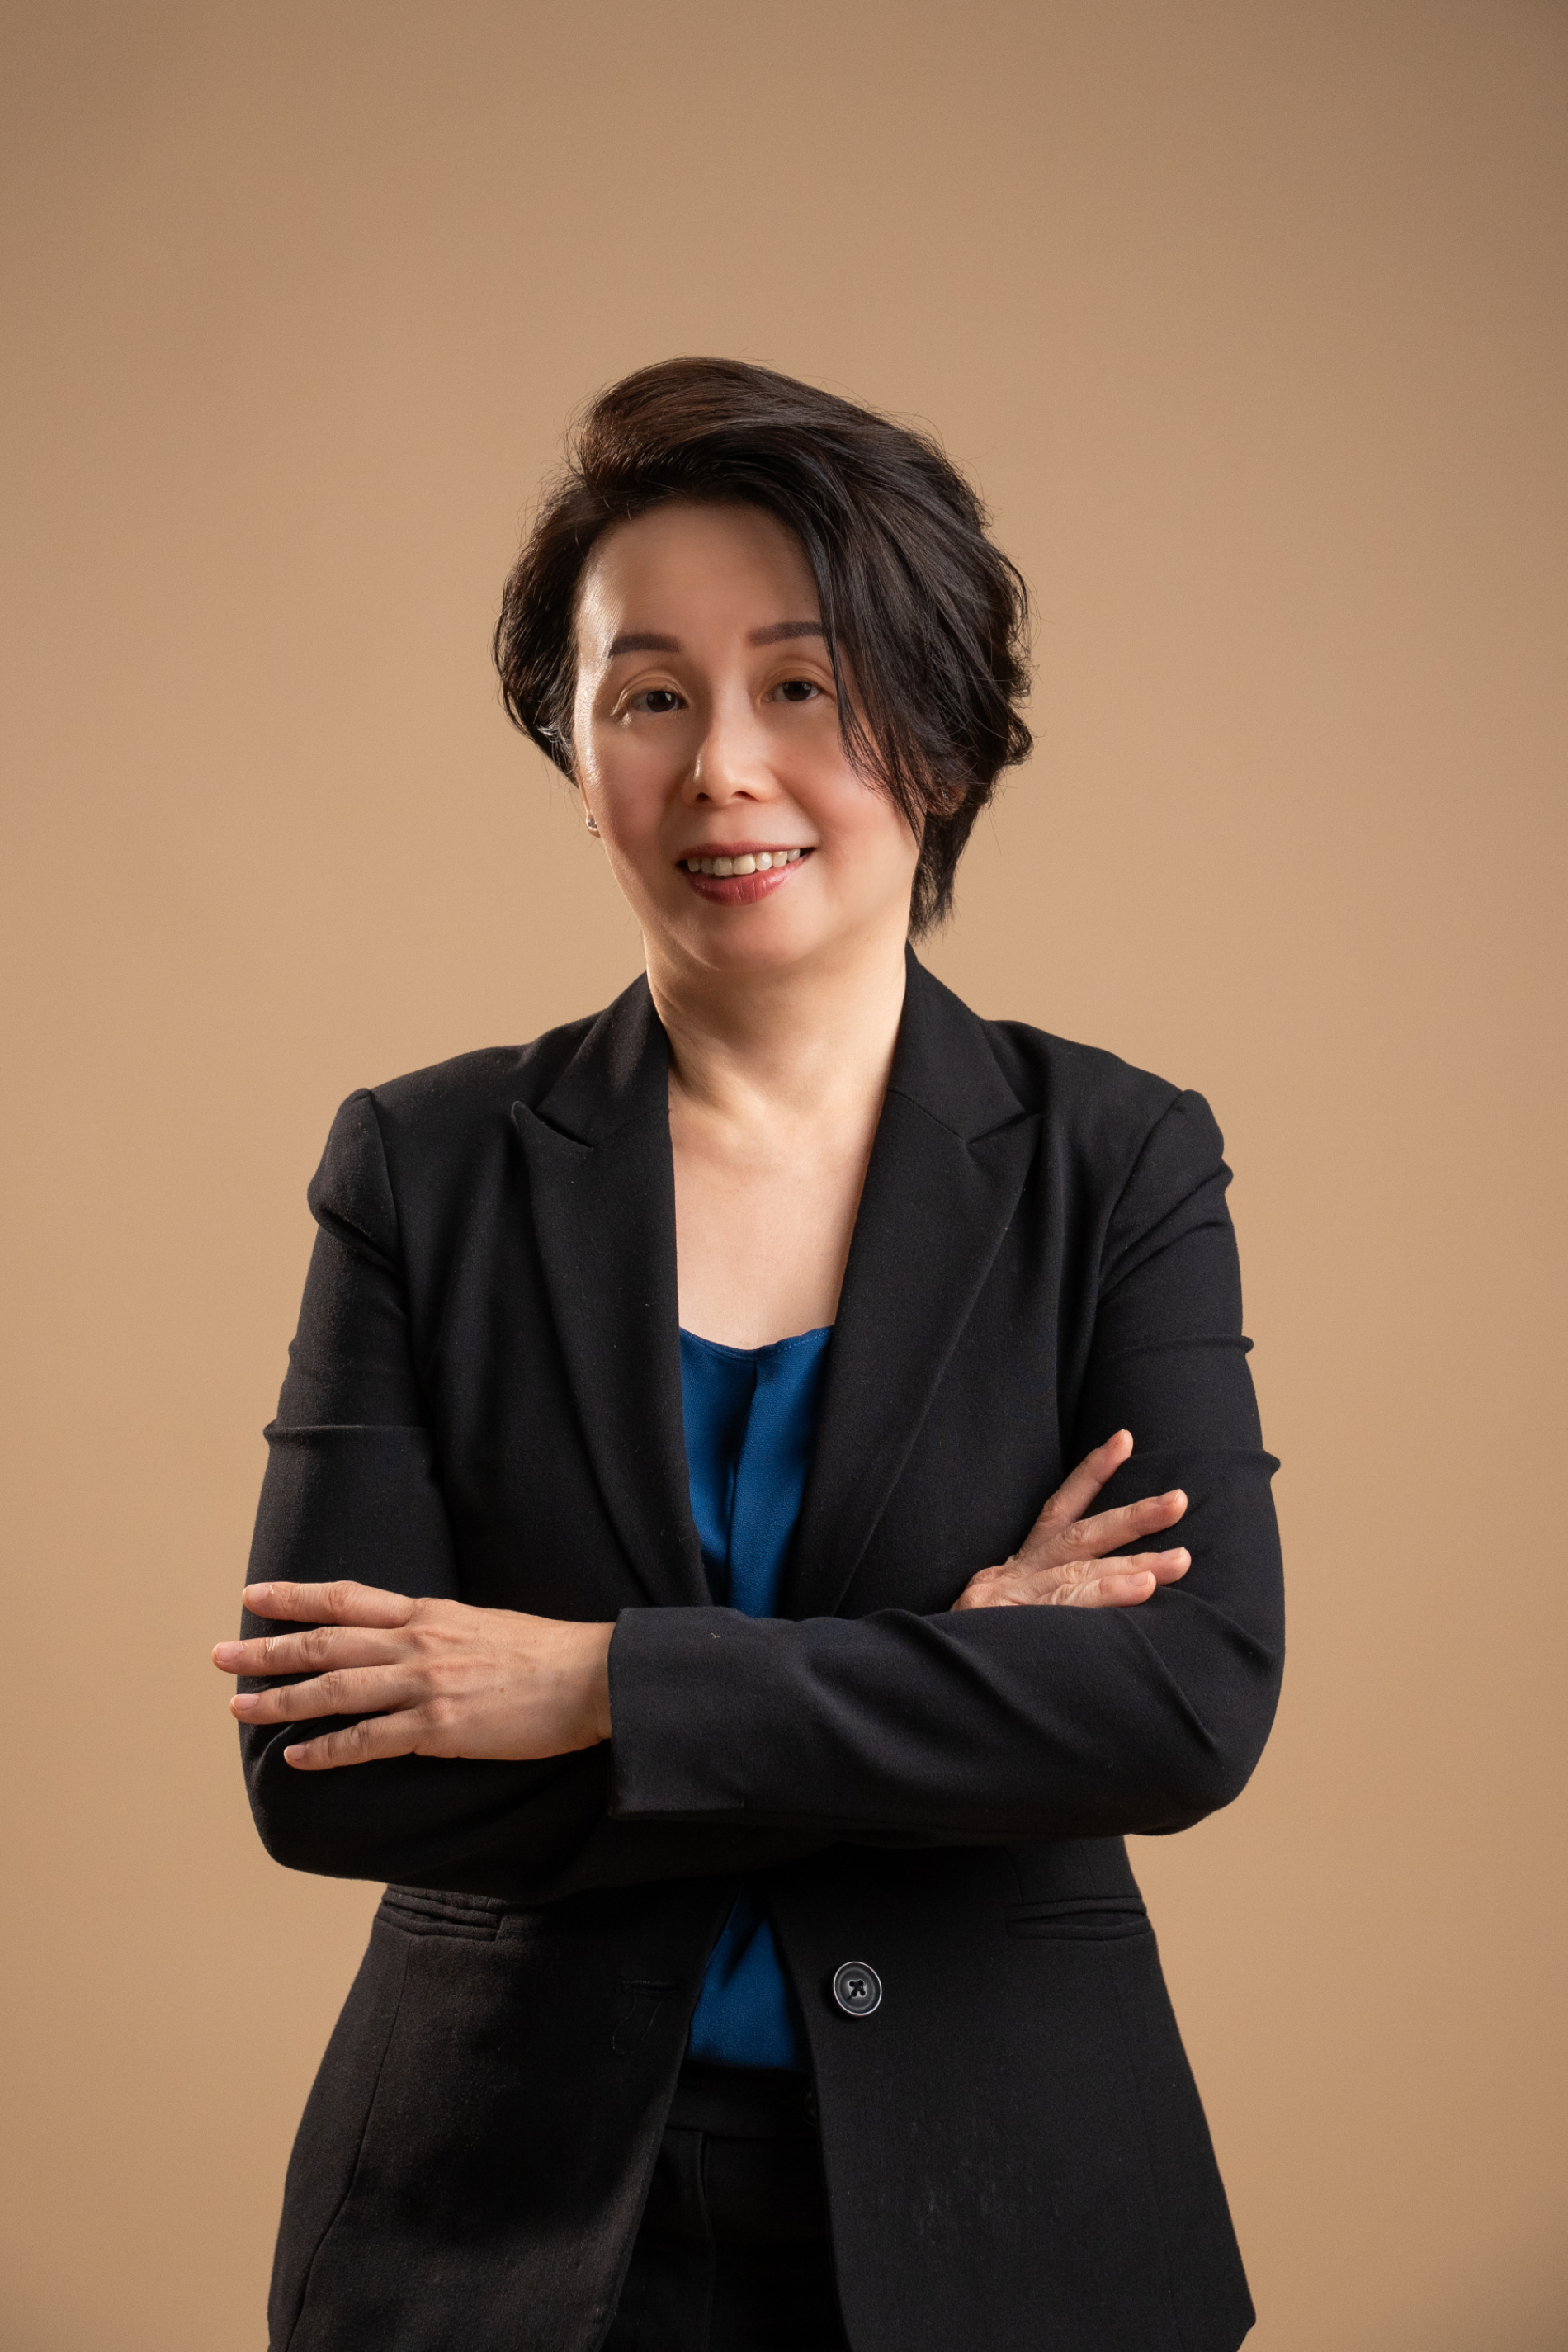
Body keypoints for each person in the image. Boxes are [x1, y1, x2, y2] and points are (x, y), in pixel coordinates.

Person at [215, 357, 1283, 2352]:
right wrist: (953, 1671)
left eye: (800, 684)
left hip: (1012, 2208)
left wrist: (587, 1687)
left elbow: (1179, 1705)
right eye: (647, 696)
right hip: (490, 2229)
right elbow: (321, 1770)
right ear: (574, 753)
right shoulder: (422, 1167)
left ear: (938, 735)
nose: (721, 766)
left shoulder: (1115, 1159)